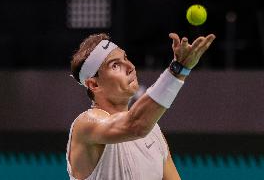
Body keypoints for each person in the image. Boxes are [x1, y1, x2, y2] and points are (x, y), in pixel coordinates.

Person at [67, 32, 215, 180]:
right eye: (115, 65)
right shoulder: (86, 124)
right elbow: (136, 125)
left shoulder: (153, 131)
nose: (130, 66)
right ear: (94, 84)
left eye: (125, 58)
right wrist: (178, 70)